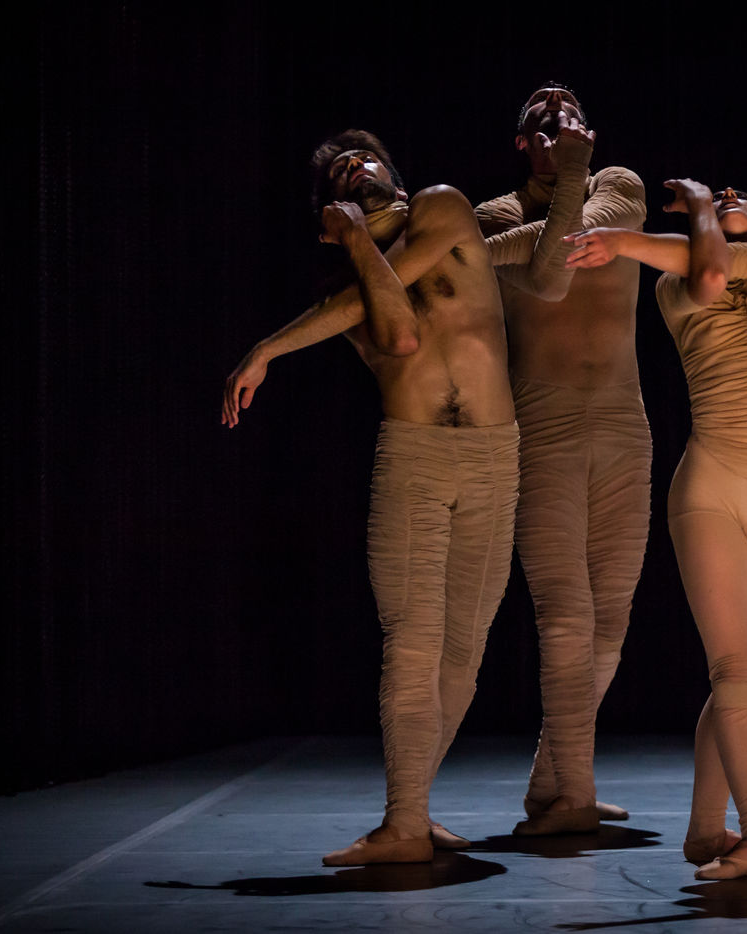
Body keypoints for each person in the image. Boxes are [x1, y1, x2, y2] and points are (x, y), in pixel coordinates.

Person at [220, 130, 529, 865]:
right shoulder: (345, 293)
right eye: (339, 171)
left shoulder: (443, 207)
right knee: (413, 642)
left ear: (396, 175)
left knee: (465, 650)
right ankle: (404, 823)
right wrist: (356, 246)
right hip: (414, 461)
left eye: (366, 158)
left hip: (494, 458)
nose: (357, 168)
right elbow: (398, 337)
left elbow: (392, 289)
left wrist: (268, 346)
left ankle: (411, 811)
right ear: (328, 213)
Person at [567, 179, 747, 879]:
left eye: (742, 193)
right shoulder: (672, 287)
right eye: (720, 195)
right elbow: (708, 274)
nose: (731, 195)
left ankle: (707, 831)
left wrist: (641, 233)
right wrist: (701, 207)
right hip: (714, 490)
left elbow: (714, 260)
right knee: (735, 672)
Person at [476, 85, 652, 835]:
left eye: (569, 106)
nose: (555, 104)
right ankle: (572, 797)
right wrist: (567, 174)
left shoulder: (621, 184)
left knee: (611, 619)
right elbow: (550, 280)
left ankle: (554, 785)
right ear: (522, 142)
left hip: (623, 424)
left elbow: (574, 241)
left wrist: (577, 175)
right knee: (565, 613)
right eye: (540, 112)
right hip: (542, 427)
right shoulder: (494, 214)